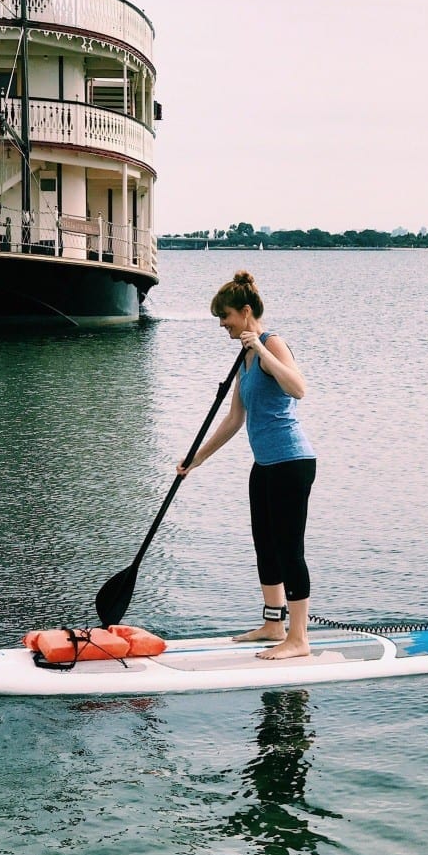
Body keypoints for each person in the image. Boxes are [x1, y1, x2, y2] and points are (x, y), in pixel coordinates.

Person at [177, 270, 316, 660]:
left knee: (290, 549)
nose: (222, 324)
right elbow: (235, 419)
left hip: (292, 462)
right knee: (265, 546)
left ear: (245, 311)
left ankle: (299, 638)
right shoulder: (244, 358)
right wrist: (196, 458)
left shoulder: (272, 344)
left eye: (226, 316)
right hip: (265, 465)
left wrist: (265, 350)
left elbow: (299, 388)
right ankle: (274, 623)